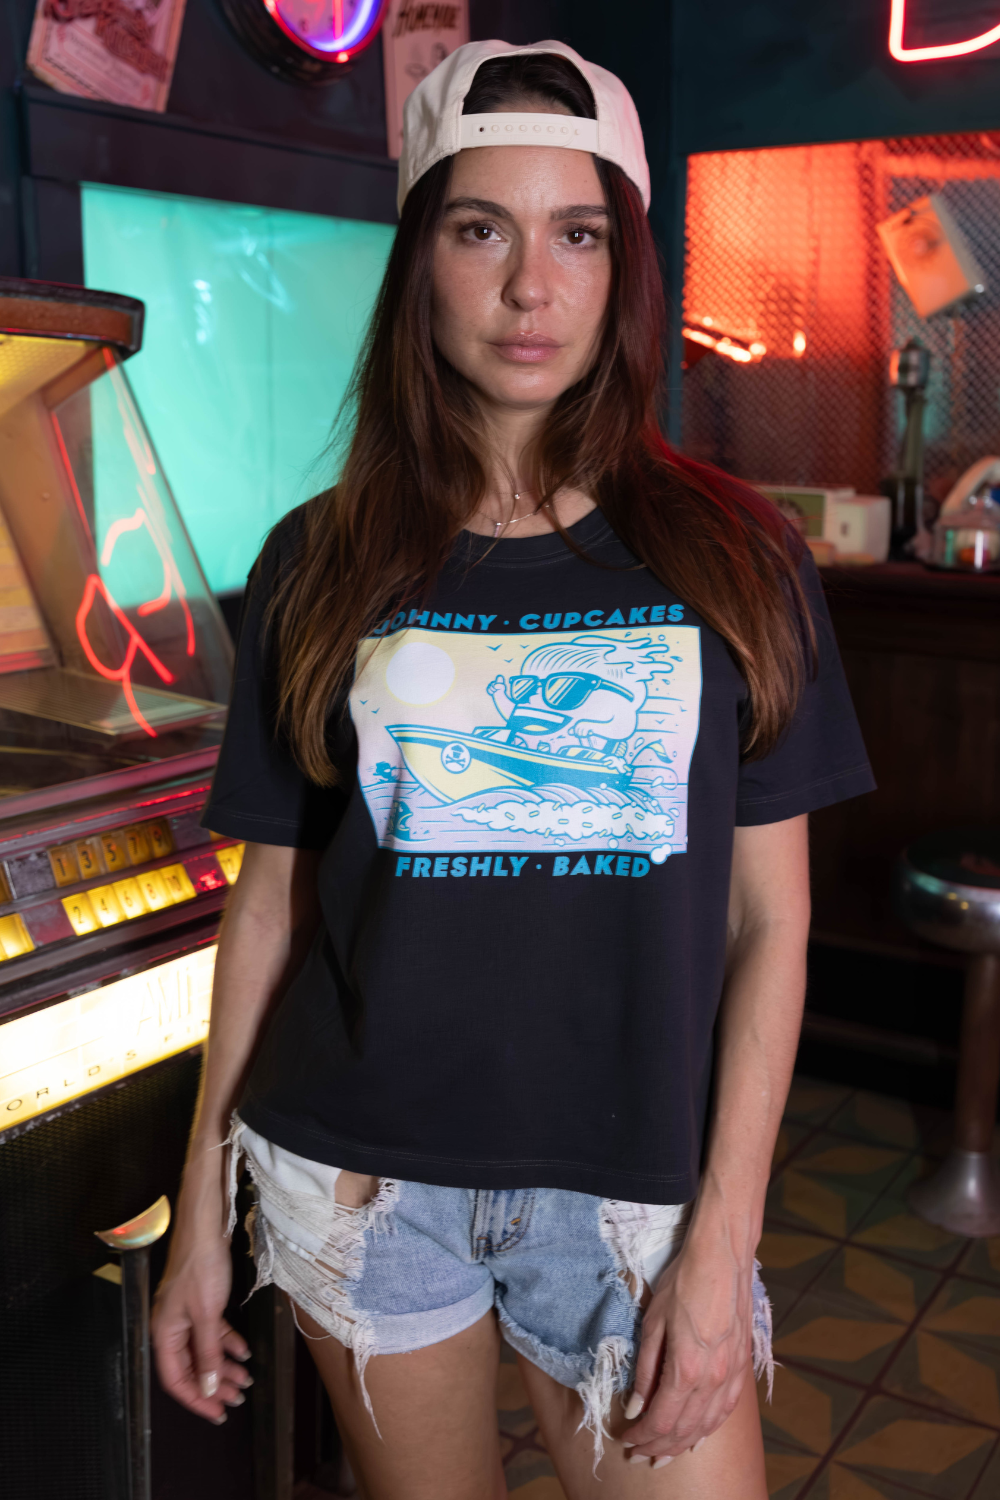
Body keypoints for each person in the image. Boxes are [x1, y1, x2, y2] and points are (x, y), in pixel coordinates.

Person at [151, 39, 874, 1499]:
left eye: (578, 234)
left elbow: (771, 920)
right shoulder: (320, 557)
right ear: (422, 259)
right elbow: (273, 905)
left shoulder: (738, 557)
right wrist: (197, 1213)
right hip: (363, 1180)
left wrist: (724, 1242)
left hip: (634, 1200)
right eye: (483, 229)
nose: (531, 286)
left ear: (625, 270)